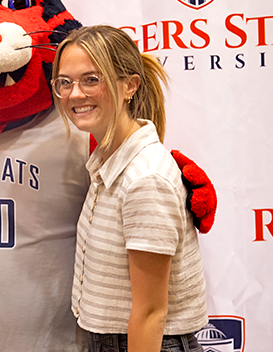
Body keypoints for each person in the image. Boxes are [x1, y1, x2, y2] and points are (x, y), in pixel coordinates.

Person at [51, 25, 208, 352]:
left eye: (92, 79)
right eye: (64, 83)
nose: (74, 94)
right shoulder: (106, 162)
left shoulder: (144, 178)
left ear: (130, 86)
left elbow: (151, 313)